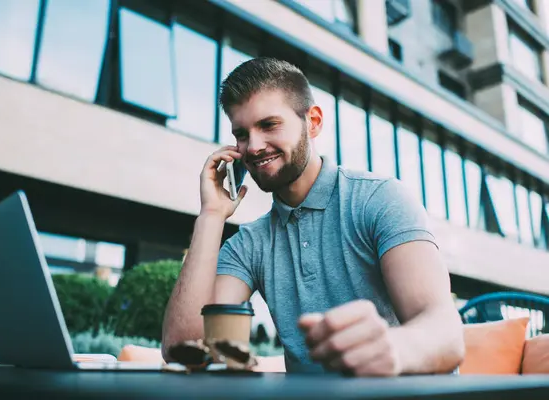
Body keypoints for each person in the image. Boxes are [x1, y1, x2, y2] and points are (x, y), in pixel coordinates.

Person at [162, 57, 465, 376]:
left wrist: (393, 348)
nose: (253, 147)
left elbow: (446, 334)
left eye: (268, 125)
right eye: (241, 133)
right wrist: (210, 216)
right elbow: (184, 348)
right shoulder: (249, 244)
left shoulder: (378, 199)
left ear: (313, 122)